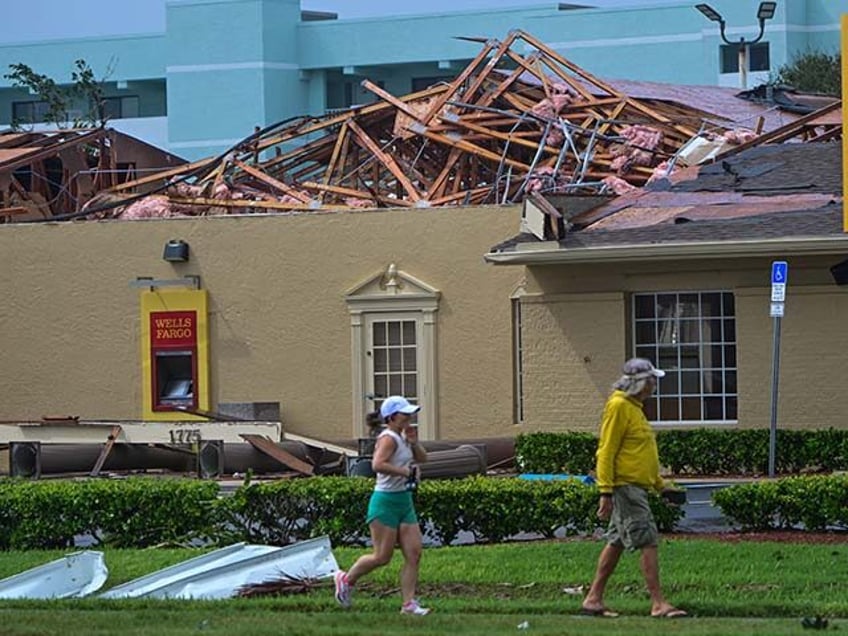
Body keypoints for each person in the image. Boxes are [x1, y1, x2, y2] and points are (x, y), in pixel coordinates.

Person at [581, 358, 688, 619]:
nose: (654, 386)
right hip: (625, 488)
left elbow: (640, 454)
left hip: (635, 487)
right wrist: (605, 491)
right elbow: (606, 451)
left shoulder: (634, 407)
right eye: (651, 381)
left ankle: (593, 599)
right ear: (639, 383)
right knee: (648, 539)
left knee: (616, 541)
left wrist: (661, 486)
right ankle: (658, 603)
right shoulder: (618, 406)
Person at [334, 395, 430, 615]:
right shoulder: (388, 438)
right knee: (381, 557)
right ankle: (346, 580)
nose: (410, 417)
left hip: (404, 501)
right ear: (393, 417)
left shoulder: (403, 437)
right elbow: (377, 464)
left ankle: (408, 604)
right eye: (405, 414)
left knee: (414, 553)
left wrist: (414, 444)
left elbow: (424, 459)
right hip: (385, 502)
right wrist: (405, 472)